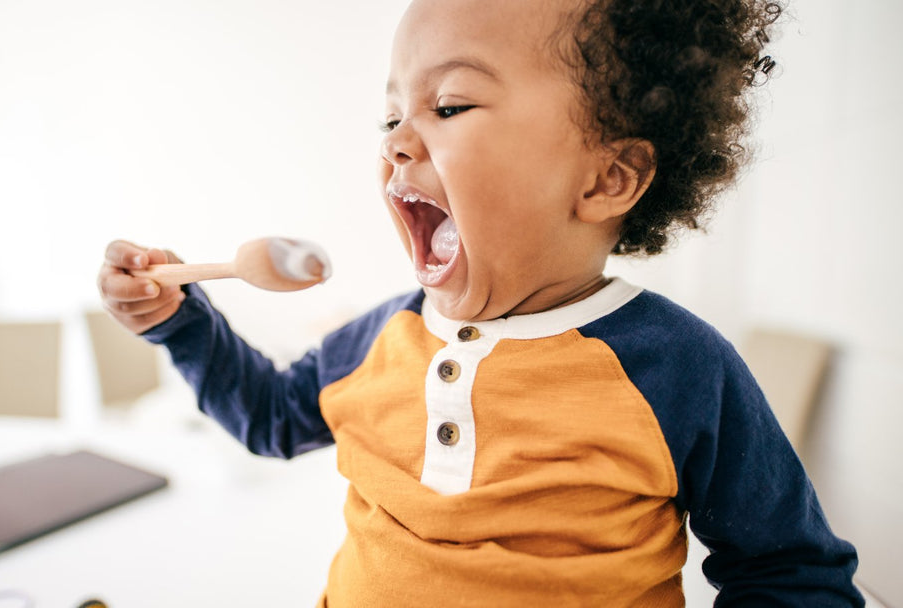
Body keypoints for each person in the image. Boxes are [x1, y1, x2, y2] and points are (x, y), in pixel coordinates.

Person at [97, 0, 863, 605]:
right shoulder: (380, 340)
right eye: (391, 115)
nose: (398, 140)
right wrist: (180, 321)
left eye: (451, 106)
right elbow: (269, 418)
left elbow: (792, 573)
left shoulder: (678, 368)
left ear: (607, 178)